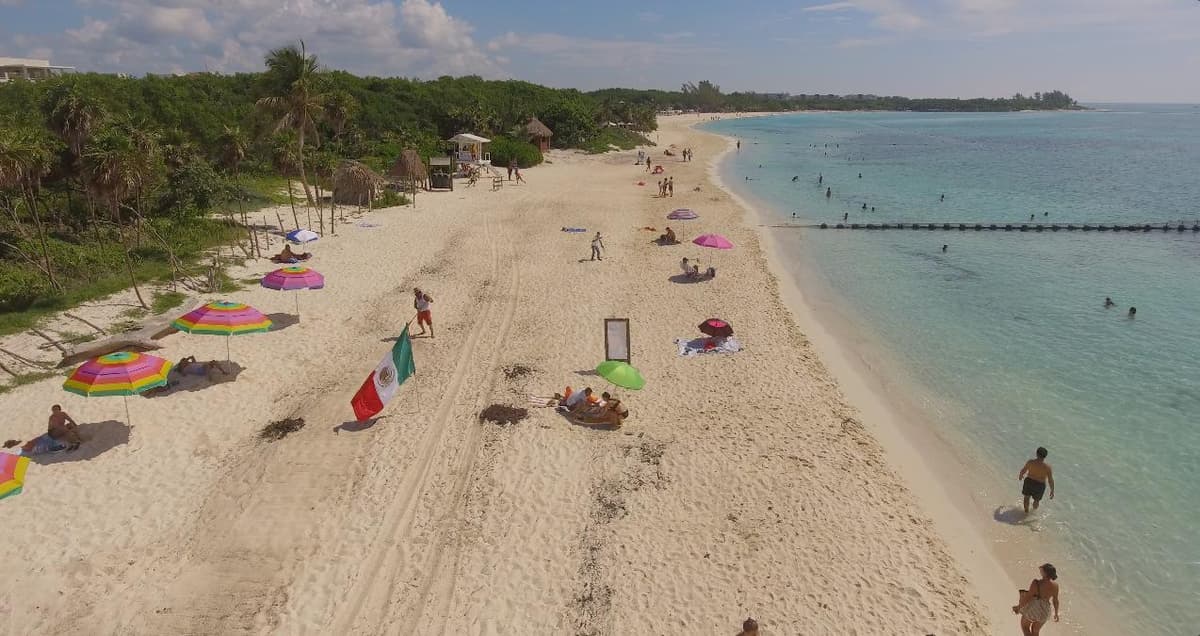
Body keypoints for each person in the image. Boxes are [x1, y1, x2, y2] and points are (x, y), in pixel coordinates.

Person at [3, 405, 81, 455]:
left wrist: (75, 426)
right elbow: (54, 427)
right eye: (54, 410)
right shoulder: (52, 417)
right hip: (52, 433)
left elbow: (71, 420)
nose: (55, 411)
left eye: (56, 409)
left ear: (59, 409)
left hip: (58, 431)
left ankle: (75, 441)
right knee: (64, 429)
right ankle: (75, 441)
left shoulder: (63, 414)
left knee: (68, 429)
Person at [1013, 563, 1060, 634]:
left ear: (1045, 573)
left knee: (1025, 626)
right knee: (1035, 630)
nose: (1040, 571)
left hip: (1035, 607)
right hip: (1045, 610)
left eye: (1041, 570)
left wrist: (1019, 607)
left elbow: (1027, 598)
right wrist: (1056, 613)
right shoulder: (1055, 586)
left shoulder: (1036, 583)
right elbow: (1055, 601)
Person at [1018, 446, 1054, 515]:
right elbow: (1050, 480)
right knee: (1036, 501)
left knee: (1026, 498)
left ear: (1036, 454)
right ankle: (1033, 513)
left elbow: (1023, 470)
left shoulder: (1031, 462)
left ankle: (1026, 513)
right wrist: (1052, 490)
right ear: (1045, 456)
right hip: (1040, 485)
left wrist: (1020, 475)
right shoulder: (1047, 467)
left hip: (1029, 481)